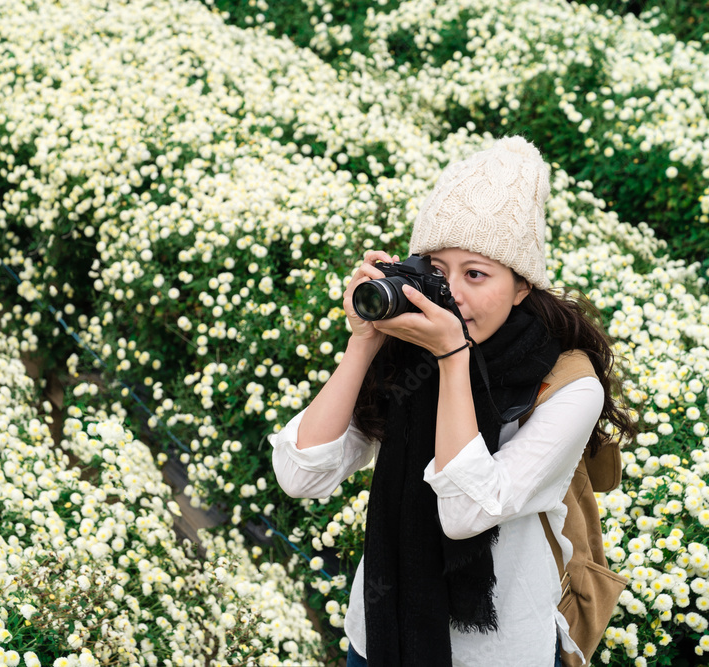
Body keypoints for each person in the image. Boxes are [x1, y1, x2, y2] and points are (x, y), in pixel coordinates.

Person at [269, 136, 636, 666]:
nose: (454, 292)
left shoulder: (569, 384)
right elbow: (301, 475)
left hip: (500, 648)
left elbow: (466, 511)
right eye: (437, 271)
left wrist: (452, 358)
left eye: (477, 273)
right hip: (380, 632)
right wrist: (364, 339)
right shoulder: (403, 352)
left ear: (521, 287)